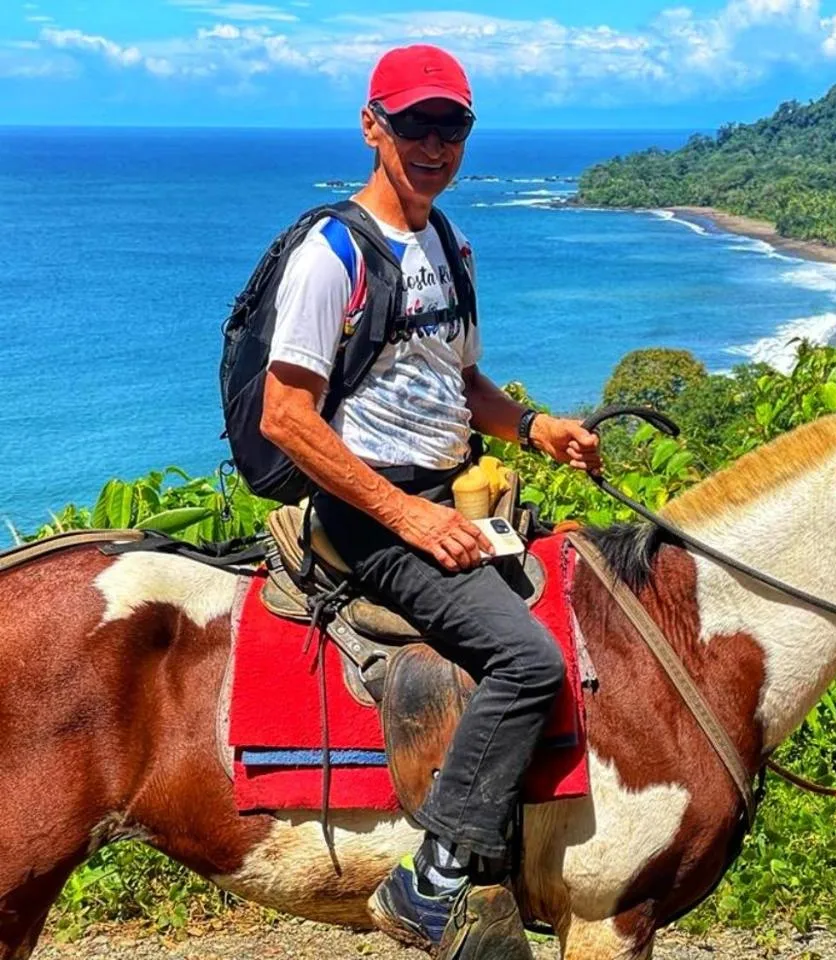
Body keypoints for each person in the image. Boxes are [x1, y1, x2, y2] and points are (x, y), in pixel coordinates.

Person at [258, 43, 600, 958]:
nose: (435, 145)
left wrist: (535, 428)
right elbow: (285, 416)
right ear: (373, 127)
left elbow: (460, 381)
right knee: (527, 661)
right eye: (415, 125)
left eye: (452, 127)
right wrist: (408, 516)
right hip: (370, 513)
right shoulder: (332, 254)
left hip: (449, 493)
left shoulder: (450, 243)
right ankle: (433, 878)